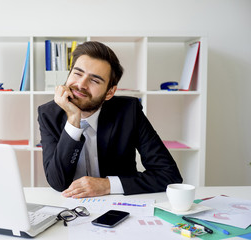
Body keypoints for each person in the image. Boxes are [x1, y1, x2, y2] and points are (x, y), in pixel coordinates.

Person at [38, 41, 182, 198]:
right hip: (71, 206)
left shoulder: (128, 111)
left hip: (119, 205)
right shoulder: (48, 114)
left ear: (110, 92)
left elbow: (169, 175)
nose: (81, 84)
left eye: (94, 80)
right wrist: (73, 119)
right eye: (77, 74)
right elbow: (57, 182)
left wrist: (107, 185)